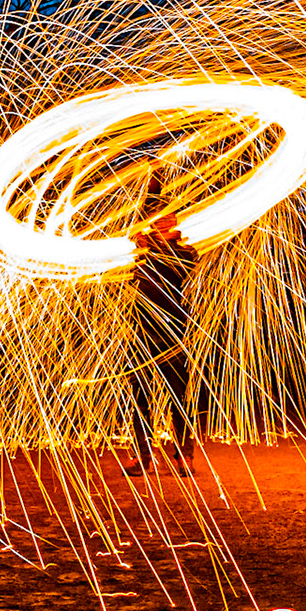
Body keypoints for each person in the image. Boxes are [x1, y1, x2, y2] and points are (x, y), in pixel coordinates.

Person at [123, 194, 199, 477]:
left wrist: (149, 245)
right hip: (141, 329)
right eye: (157, 217)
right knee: (139, 397)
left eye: (168, 216)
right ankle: (143, 456)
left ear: (175, 221)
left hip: (173, 330)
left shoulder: (186, 251)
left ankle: (183, 457)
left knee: (178, 397)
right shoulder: (138, 252)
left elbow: (176, 268)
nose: (163, 221)